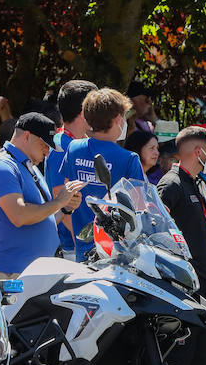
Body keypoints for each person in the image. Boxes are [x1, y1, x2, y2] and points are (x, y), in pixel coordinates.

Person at [47, 88, 146, 260]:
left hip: (81, 247)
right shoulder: (129, 158)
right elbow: (139, 206)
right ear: (117, 119)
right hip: (116, 250)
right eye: (123, 116)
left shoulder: (74, 148)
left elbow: (67, 190)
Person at [158, 126, 206, 365]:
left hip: (204, 282)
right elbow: (156, 230)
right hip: (183, 285)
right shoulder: (171, 184)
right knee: (181, 359)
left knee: (201, 359)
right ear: (198, 152)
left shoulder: (198, 183)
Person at [0, 113, 84, 276]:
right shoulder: (2, 166)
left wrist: (65, 208)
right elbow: (19, 215)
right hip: (10, 274)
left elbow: (42, 218)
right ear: (27, 136)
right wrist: (58, 203)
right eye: (44, 144)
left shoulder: (29, 167)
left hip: (31, 274)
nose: (48, 152)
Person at [45, 81, 95, 254]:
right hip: (74, 248)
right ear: (84, 112)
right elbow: (63, 201)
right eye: (95, 106)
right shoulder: (60, 147)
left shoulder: (73, 143)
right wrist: (85, 250)